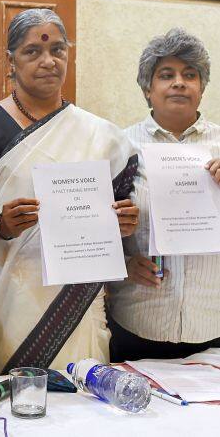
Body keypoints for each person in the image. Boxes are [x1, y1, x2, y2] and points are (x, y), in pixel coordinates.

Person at [0, 8, 140, 376]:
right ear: (10, 60)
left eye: (58, 50)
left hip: (79, 298)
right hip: (7, 298)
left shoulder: (99, 135)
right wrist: (0, 225)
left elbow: (118, 216)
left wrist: (122, 223)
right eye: (32, 52)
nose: (48, 61)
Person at [108, 28, 220, 362]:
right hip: (138, 322)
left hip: (212, 323)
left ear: (201, 89)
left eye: (190, 75)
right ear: (147, 88)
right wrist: (124, 265)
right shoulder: (119, 147)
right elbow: (93, 230)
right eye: (166, 75)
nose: (179, 83)